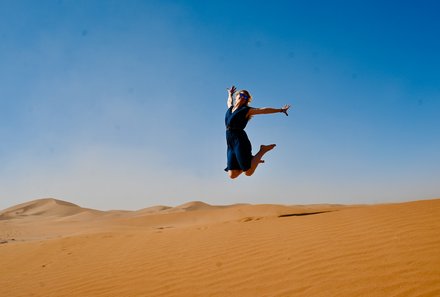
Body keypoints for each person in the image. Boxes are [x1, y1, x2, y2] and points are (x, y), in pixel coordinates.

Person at [225, 85, 291, 179]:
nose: (243, 98)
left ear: (247, 100)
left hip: (240, 140)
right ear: (237, 96)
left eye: (245, 97)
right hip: (230, 142)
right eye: (241, 95)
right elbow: (229, 101)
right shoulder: (230, 109)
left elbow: (263, 110)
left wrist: (280, 110)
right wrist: (230, 94)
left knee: (248, 172)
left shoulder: (246, 110)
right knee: (232, 175)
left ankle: (262, 150)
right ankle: (252, 161)